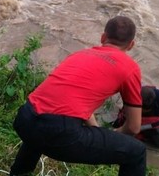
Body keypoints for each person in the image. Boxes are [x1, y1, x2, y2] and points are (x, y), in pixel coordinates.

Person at [10, 16, 146, 176]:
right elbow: (133, 127)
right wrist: (114, 135)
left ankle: (18, 172)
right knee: (137, 151)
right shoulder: (129, 67)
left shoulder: (79, 55)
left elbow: (72, 99)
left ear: (103, 37)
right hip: (59, 133)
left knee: (43, 121)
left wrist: (97, 132)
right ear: (131, 45)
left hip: (25, 119)